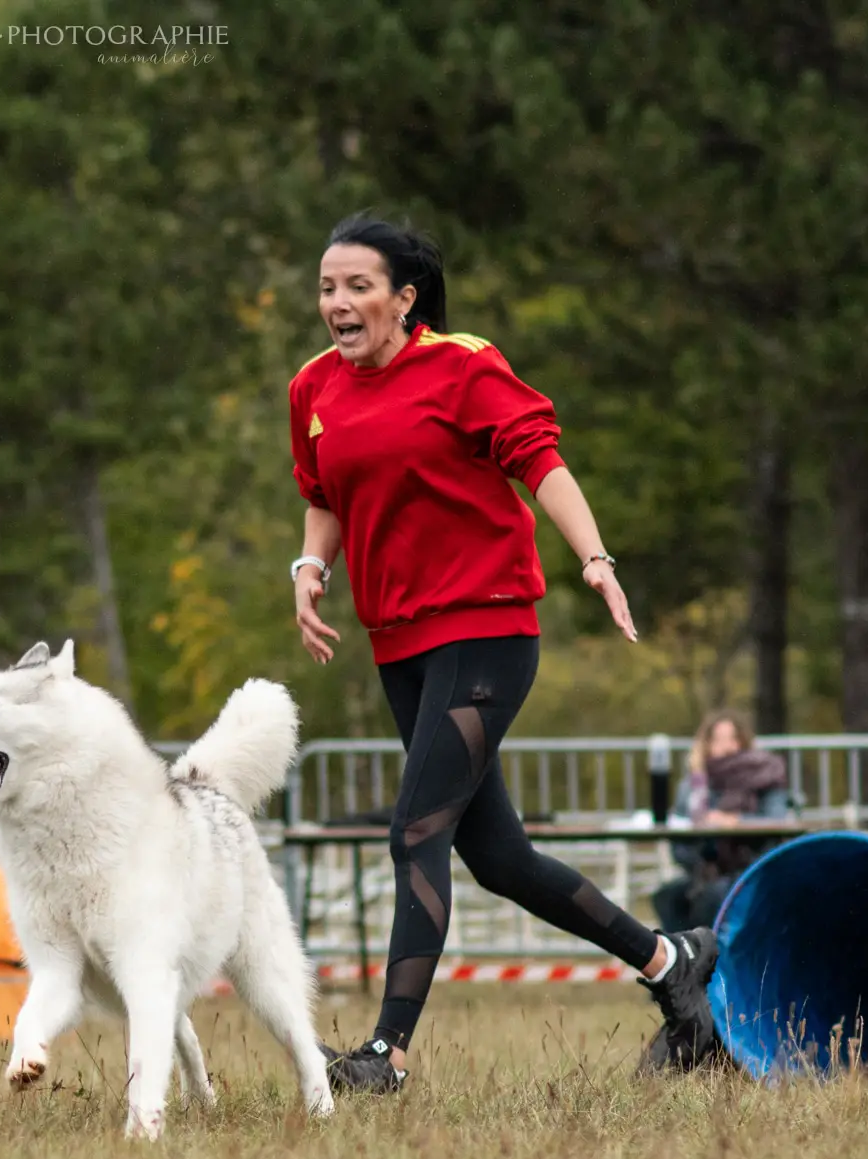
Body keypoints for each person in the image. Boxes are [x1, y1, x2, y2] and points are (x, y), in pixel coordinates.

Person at [288, 213, 722, 1090]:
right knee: (500, 859)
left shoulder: (462, 365)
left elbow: (542, 462)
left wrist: (595, 559)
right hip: (399, 642)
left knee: (416, 828)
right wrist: (309, 564)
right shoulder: (312, 389)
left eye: (358, 285)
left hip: (486, 629)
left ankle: (386, 1055)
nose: (338, 301)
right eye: (329, 286)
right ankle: (670, 961)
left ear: (404, 298)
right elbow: (323, 491)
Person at [652, 710, 790, 934]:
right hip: (703, 871)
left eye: (732, 738)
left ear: (744, 743)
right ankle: (680, 963)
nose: (726, 747)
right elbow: (678, 843)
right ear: (705, 744)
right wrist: (699, 834)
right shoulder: (692, 786)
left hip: (751, 869)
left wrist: (736, 821)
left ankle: (712, 963)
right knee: (667, 896)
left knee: (713, 898)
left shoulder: (766, 776)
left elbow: (777, 820)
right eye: (718, 739)